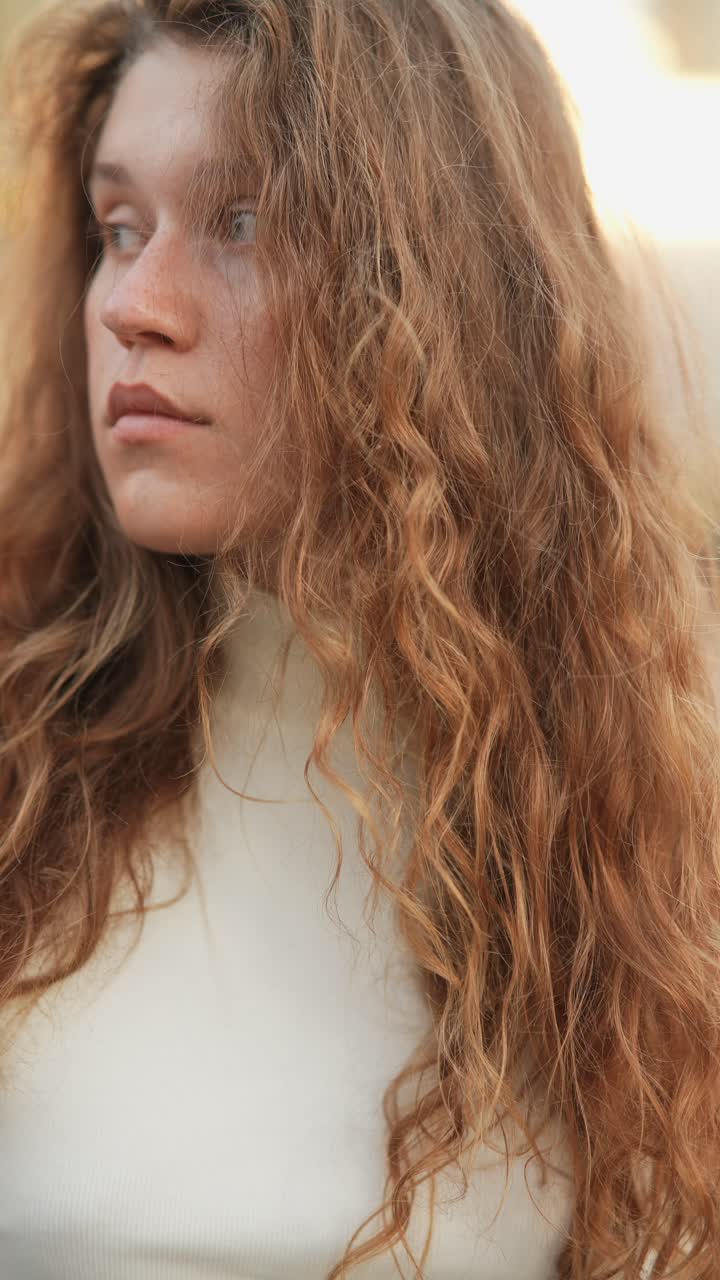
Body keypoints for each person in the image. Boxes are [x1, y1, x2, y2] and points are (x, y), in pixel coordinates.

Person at [0, 1, 718, 1277]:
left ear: (439, 293)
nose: (135, 307)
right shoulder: (22, 778)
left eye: (243, 222)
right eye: (120, 229)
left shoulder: (623, 843)